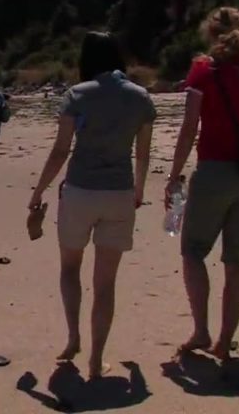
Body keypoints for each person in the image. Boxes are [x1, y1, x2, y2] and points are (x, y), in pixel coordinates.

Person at [28, 31, 156, 380]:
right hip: (120, 193)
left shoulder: (77, 95)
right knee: (105, 284)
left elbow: (60, 150)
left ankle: (73, 338)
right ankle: (97, 360)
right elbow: (143, 154)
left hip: (80, 192)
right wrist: (139, 191)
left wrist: (39, 191)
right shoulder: (141, 97)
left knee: (70, 268)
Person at [165, 6, 239, 362]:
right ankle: (224, 340)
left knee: (193, 251)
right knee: (236, 261)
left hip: (215, 172)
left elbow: (189, 129)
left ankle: (201, 331)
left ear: (211, 34)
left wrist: (173, 175)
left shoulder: (204, 72)